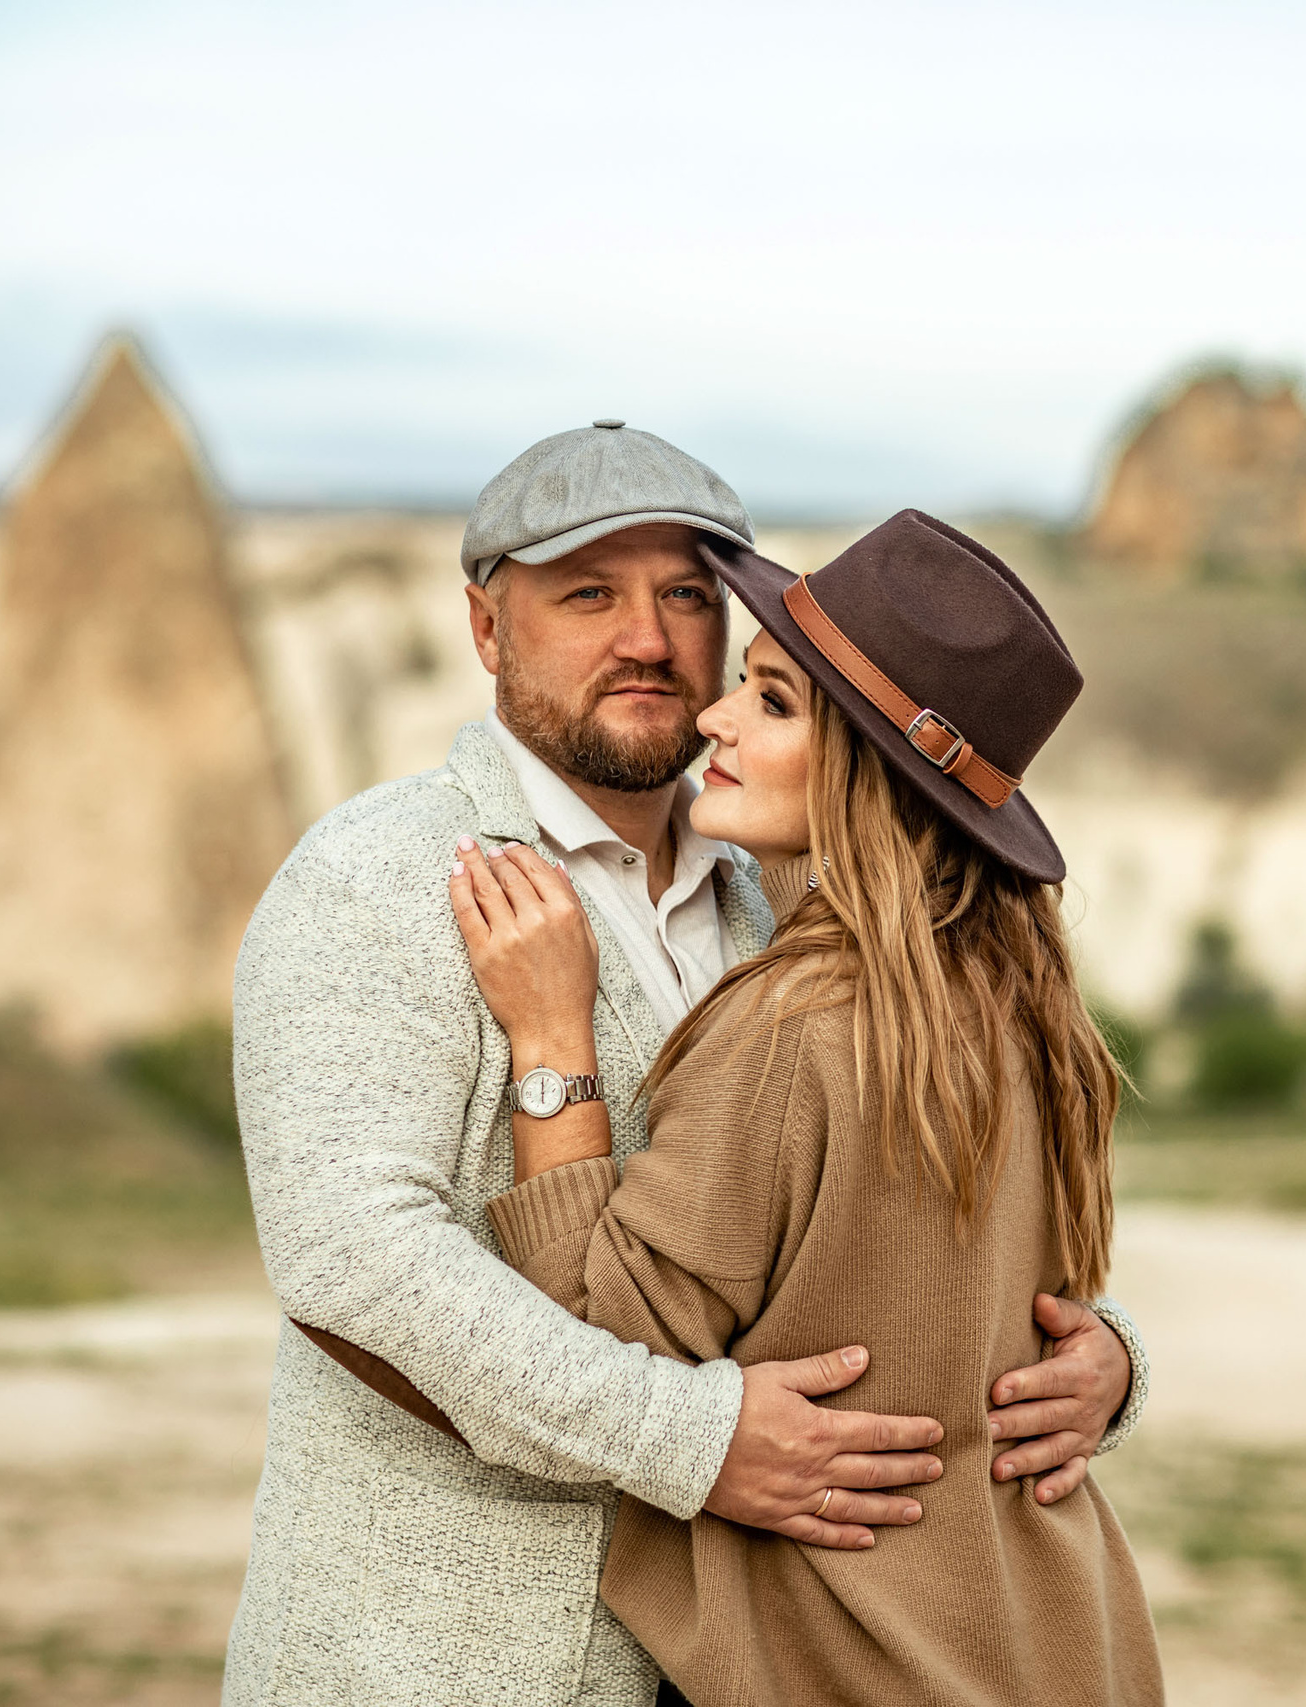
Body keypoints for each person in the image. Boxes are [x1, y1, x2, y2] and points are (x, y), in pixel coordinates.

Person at [225, 425, 1148, 1705]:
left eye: (685, 596)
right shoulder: (375, 880)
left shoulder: (803, 908)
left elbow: (888, 1240)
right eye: (588, 594)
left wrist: (1098, 1359)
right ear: (488, 629)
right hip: (448, 1662)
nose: (649, 640)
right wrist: (694, 1442)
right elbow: (353, 1262)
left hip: (750, 1660)